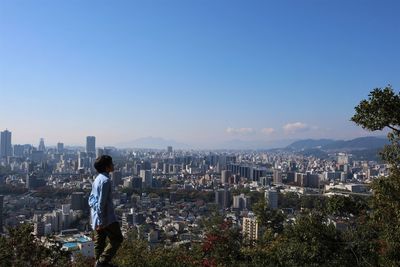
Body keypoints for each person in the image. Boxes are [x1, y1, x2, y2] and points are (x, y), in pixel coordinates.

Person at [89, 155, 123, 267]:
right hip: (106, 218)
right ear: (107, 167)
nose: (113, 165)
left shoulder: (97, 179)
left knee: (100, 242)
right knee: (117, 238)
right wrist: (101, 222)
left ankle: (98, 263)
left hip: (96, 217)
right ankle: (101, 263)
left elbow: (91, 200)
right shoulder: (106, 181)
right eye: (111, 163)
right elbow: (101, 204)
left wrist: (97, 219)